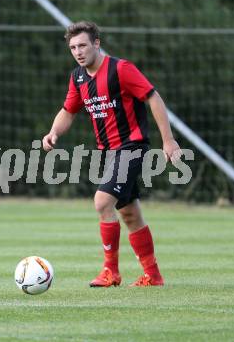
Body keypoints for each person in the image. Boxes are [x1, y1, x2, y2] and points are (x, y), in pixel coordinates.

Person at [42, 21, 181, 287]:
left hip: (131, 146)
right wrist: (53, 132)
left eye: (83, 45)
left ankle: (110, 272)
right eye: (73, 47)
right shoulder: (78, 77)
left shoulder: (121, 69)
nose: (78, 51)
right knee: (130, 214)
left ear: (96, 43)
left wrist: (168, 140)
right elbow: (68, 110)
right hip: (108, 152)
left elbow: (153, 97)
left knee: (102, 202)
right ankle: (153, 275)